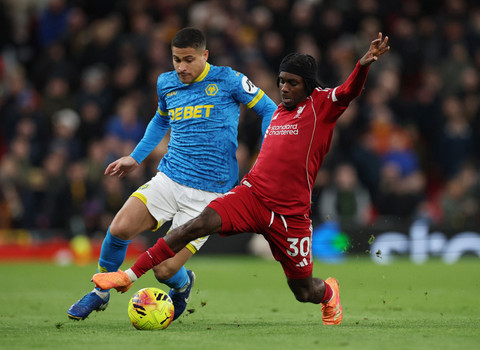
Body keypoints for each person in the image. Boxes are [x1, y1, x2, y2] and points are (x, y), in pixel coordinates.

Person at [92, 33, 390, 325]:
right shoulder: (277, 114)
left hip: (290, 214)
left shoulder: (322, 105)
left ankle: (329, 292)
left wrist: (362, 66)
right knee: (195, 226)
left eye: (292, 83)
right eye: (281, 81)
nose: (284, 88)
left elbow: (349, 91)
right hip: (252, 196)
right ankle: (127, 276)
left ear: (308, 85)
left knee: (303, 290)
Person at [68, 27, 276, 320]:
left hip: (209, 195)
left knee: (164, 270)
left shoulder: (229, 79)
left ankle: (184, 282)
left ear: (205, 55)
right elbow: (160, 120)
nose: (181, 67)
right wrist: (135, 157)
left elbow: (269, 109)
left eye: (188, 59)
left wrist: (264, 155)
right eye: (176, 59)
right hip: (169, 177)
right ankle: (99, 293)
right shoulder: (166, 83)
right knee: (119, 229)